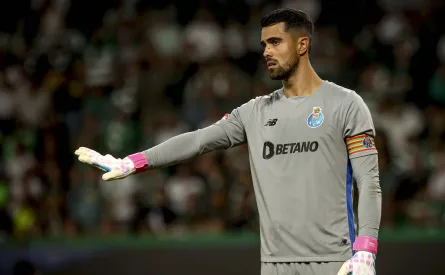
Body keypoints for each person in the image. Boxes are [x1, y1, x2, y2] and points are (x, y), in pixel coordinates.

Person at [75, 8, 381, 275]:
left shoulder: (345, 105)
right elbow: (197, 140)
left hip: (334, 262)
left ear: (302, 45)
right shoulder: (254, 112)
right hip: (275, 264)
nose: (266, 52)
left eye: (275, 42)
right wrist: (132, 162)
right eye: (263, 45)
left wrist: (366, 249)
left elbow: (369, 182)